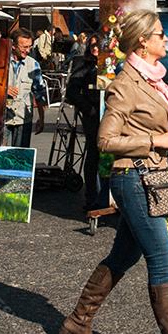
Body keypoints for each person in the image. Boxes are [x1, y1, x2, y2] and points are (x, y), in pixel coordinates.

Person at [60, 10, 168, 334]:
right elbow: (105, 140)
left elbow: (148, 127)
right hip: (134, 179)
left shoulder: (151, 81)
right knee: (163, 258)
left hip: (148, 175)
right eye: (160, 35)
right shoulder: (126, 85)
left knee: (124, 255)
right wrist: (155, 140)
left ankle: (78, 321)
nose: (166, 39)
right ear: (143, 41)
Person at [65, 35, 103, 211]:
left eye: (99, 44)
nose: (95, 48)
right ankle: (91, 198)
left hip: (112, 115)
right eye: (92, 44)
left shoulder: (116, 62)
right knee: (93, 153)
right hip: (92, 115)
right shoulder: (82, 63)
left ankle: (108, 197)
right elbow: (72, 93)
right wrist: (88, 108)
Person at [5, 28, 47, 147]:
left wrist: (41, 118)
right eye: (24, 47)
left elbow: (39, 93)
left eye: (30, 47)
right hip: (2, 118)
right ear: (13, 46)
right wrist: (3, 89)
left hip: (23, 119)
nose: (28, 50)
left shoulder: (33, 64)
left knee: (20, 158)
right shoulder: (1, 61)